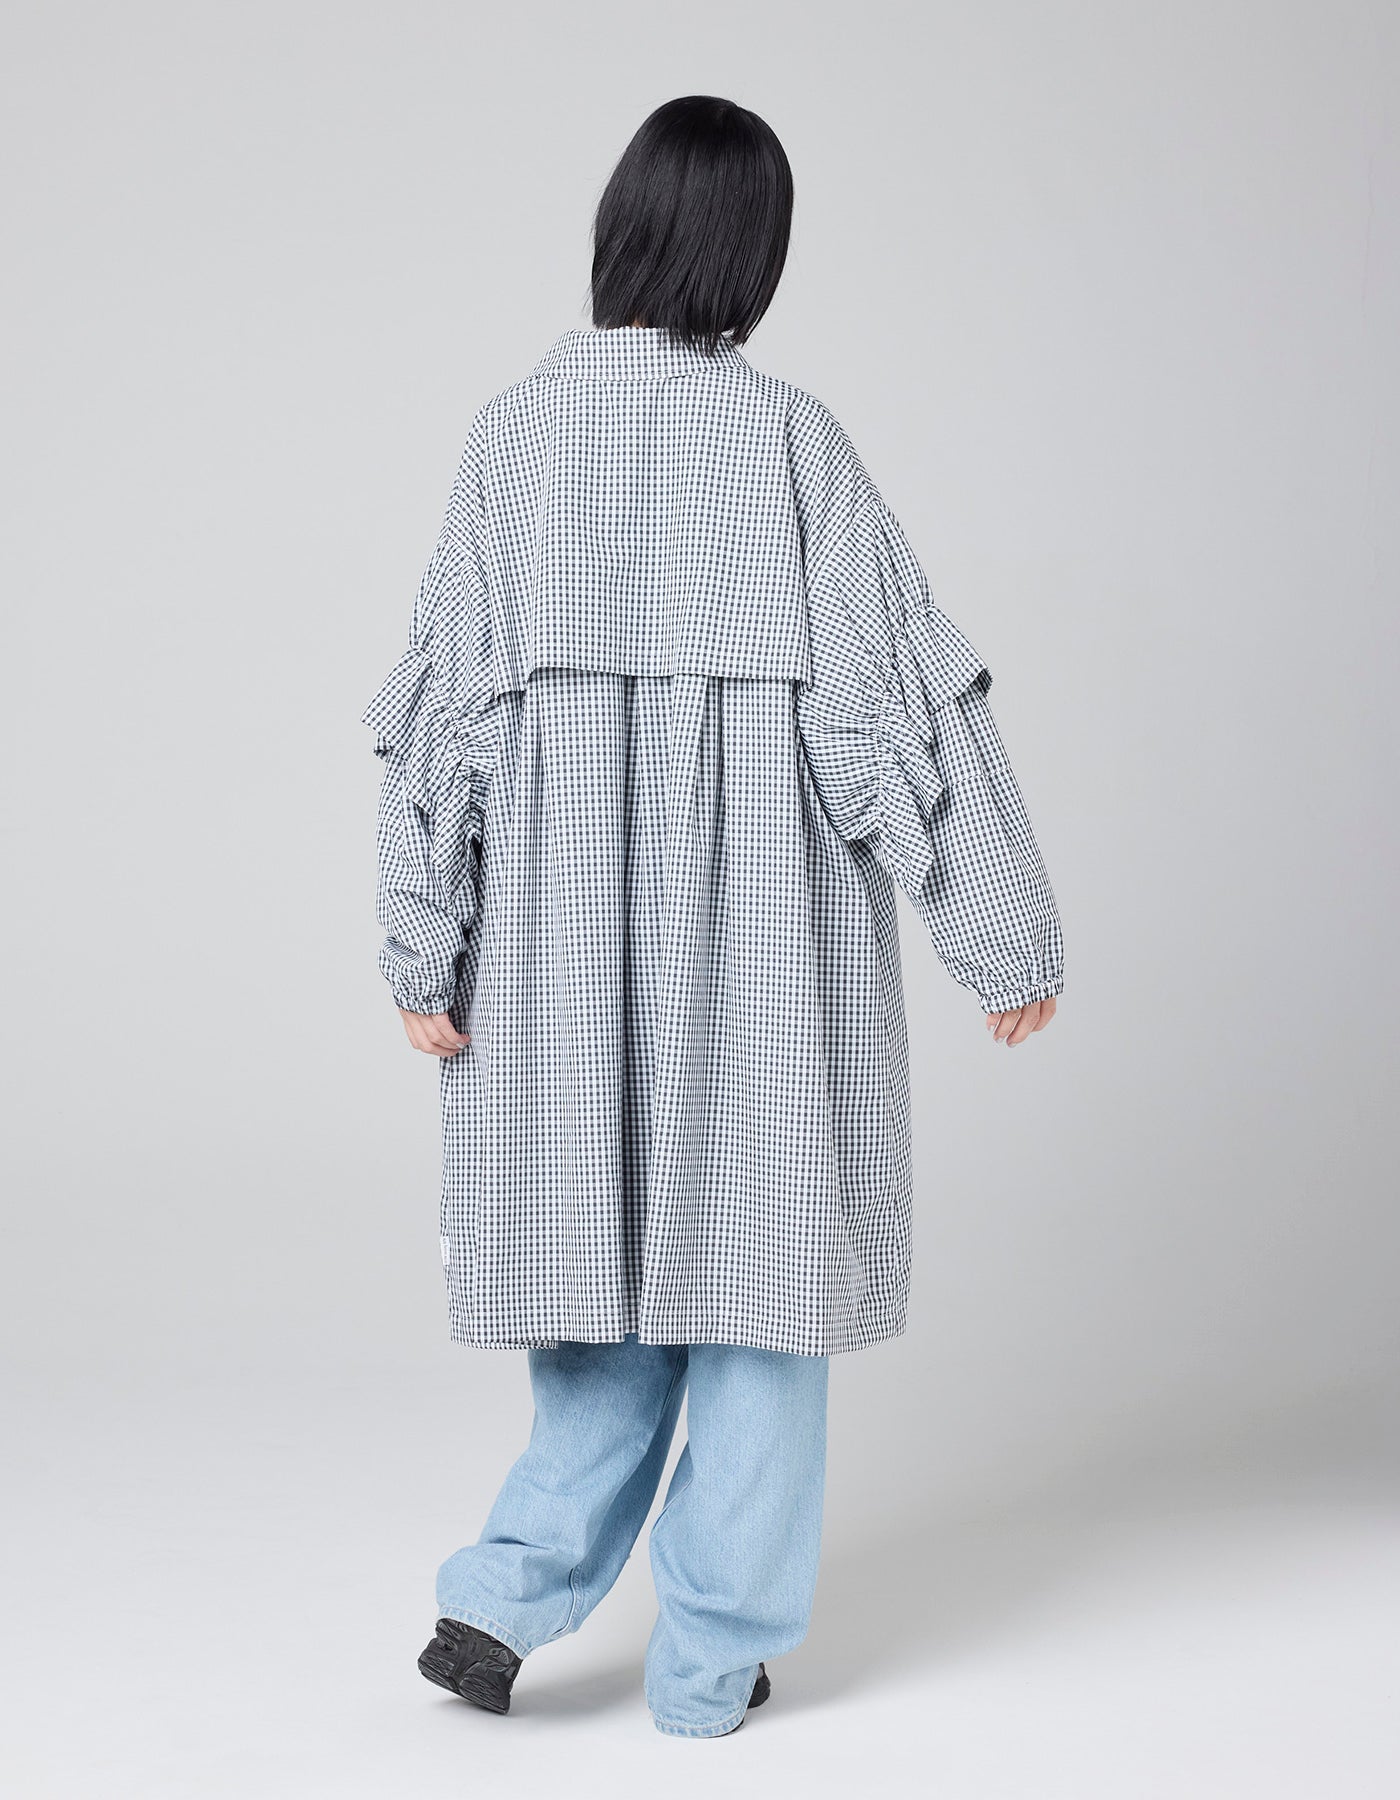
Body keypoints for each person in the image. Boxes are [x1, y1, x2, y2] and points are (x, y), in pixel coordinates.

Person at [360, 94, 1064, 1740]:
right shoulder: (792, 444)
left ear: (619, 227)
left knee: (594, 1301)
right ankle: (708, 1662)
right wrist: (1000, 927)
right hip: (766, 964)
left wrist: (421, 938)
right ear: (754, 253)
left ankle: (499, 1603)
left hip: (560, 964)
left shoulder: (512, 439)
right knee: (760, 1305)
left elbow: (443, 716)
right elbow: (898, 704)